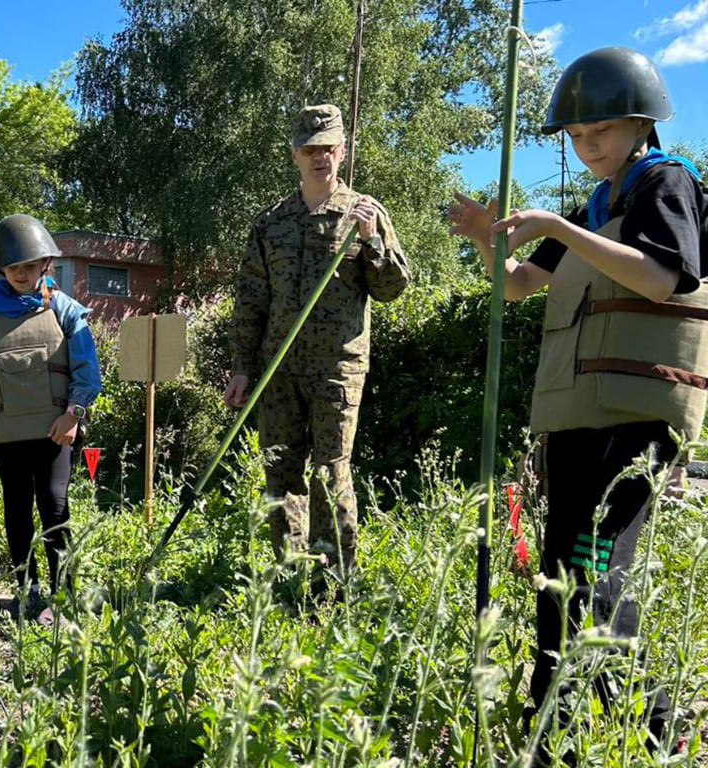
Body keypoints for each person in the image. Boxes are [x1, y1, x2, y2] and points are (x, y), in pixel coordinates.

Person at [448, 47, 707, 759]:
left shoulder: (666, 185)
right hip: (580, 412)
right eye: (576, 135)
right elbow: (518, 286)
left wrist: (560, 230)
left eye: (600, 132)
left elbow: (662, 280)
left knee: (595, 572)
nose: (586, 146)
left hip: (637, 413)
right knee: (560, 571)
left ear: (641, 123)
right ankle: (552, 725)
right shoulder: (595, 205)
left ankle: (649, 735)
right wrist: (482, 240)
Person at [225, 103, 410, 579]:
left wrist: (371, 242)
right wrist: (242, 367)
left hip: (337, 369)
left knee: (331, 474)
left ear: (342, 151)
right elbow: (250, 300)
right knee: (280, 471)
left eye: (328, 147)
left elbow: (392, 290)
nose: (319, 157)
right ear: (295, 155)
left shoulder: (363, 213)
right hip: (278, 370)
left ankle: (334, 583)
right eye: (310, 148)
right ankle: (290, 577)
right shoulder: (271, 223)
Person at [0, 214, 101, 626]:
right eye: (14, 266)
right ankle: (26, 589)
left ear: (44, 266)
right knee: (16, 509)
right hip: (5, 434)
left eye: (30, 265)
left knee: (54, 507)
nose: (22, 273)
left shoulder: (66, 310)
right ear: (1, 269)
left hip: (54, 432)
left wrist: (73, 416)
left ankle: (64, 595)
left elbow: (89, 372)